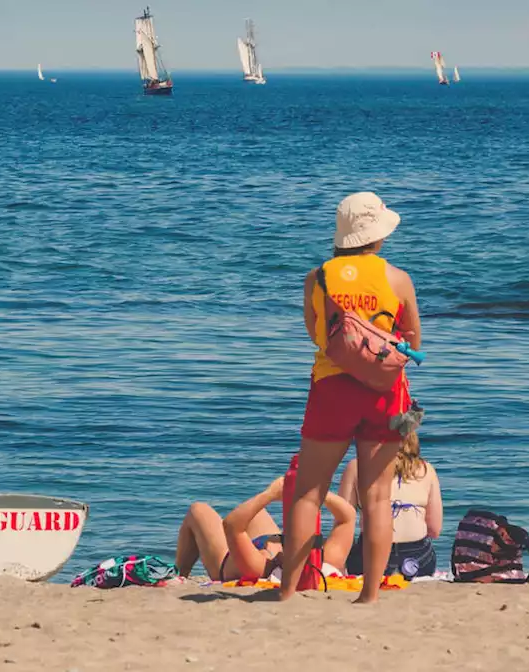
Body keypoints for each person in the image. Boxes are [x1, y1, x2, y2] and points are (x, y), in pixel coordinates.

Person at [280, 192, 421, 604]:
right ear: (376, 236)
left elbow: (317, 336)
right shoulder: (397, 278)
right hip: (385, 393)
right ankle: (369, 596)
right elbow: (412, 341)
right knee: (377, 496)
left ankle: (288, 591)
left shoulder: (318, 277)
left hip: (332, 389)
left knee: (309, 492)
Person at [174, 476, 356, 582]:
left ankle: (180, 575)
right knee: (256, 514)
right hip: (267, 542)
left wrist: (270, 494)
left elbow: (231, 525)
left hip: (231, 561)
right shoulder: (327, 559)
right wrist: (315, 492)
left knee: (198, 510)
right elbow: (348, 516)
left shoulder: (261, 566)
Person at [337, 430, 443, 578]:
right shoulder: (427, 470)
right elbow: (434, 529)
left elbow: (343, 523)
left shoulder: (357, 467)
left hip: (370, 557)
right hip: (417, 560)